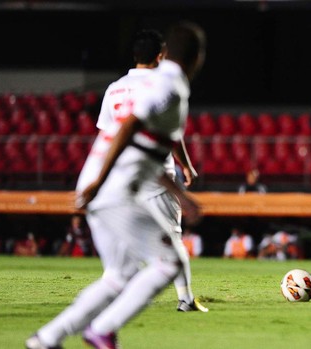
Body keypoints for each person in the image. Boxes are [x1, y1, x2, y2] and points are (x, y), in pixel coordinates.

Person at [25, 21, 207, 349]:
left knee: (117, 276)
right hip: (113, 187)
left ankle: (46, 338)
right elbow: (129, 129)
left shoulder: (132, 85)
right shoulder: (170, 87)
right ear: (198, 58)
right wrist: (98, 183)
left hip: (110, 178)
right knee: (169, 262)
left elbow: (142, 145)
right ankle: (102, 331)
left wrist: (181, 192)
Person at [94, 29, 203, 312]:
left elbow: (107, 135)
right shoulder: (162, 85)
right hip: (155, 171)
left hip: (117, 175)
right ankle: (186, 299)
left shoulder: (114, 88)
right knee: (172, 236)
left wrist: (99, 177)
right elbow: (170, 133)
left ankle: (112, 295)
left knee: (122, 242)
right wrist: (185, 166)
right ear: (160, 55)